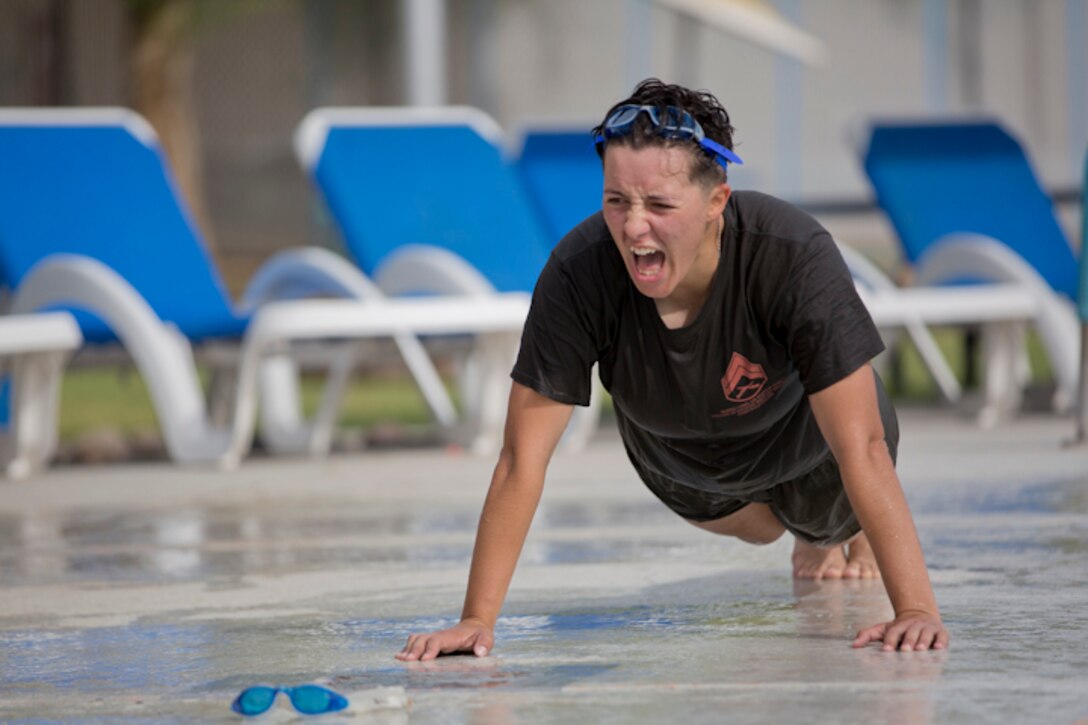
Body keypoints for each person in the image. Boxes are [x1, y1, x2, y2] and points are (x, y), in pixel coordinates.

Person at [397, 79, 949, 661]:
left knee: (823, 520)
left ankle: (838, 534)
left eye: (660, 205)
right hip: (682, 459)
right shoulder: (579, 273)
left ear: (716, 202)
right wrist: (476, 619)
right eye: (617, 201)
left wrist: (915, 609)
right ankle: (809, 532)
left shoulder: (789, 253)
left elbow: (861, 445)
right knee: (764, 527)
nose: (634, 227)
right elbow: (521, 458)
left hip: (808, 445)